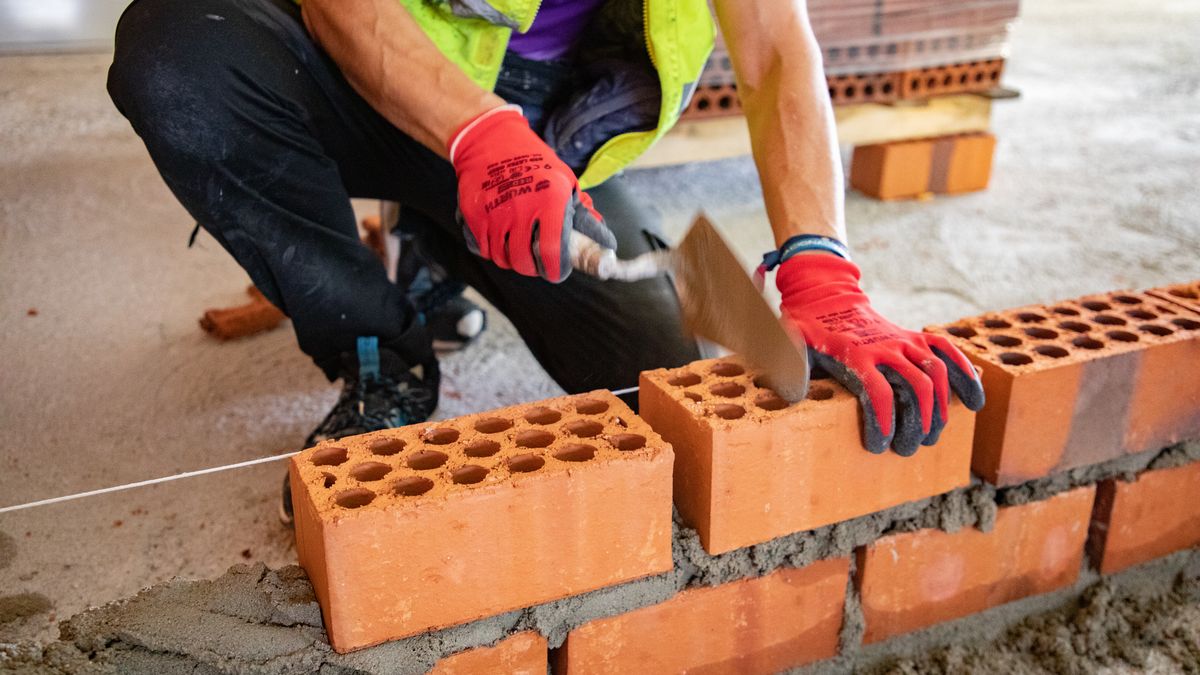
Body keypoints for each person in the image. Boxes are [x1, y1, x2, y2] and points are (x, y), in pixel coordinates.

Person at [107, 0, 985, 521]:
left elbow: (776, 50)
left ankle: (440, 234)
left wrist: (822, 271)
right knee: (182, 54)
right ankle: (378, 348)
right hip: (363, 73)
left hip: (553, 129)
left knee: (660, 379)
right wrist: (481, 133)